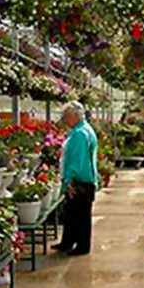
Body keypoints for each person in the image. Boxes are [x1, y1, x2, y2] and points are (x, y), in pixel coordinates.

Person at [52, 101, 98, 256]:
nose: (64, 120)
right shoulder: (82, 130)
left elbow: (77, 161)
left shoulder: (80, 134)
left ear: (75, 116)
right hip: (84, 179)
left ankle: (82, 246)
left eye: (66, 116)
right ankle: (67, 242)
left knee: (80, 215)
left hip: (81, 181)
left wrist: (69, 180)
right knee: (72, 213)